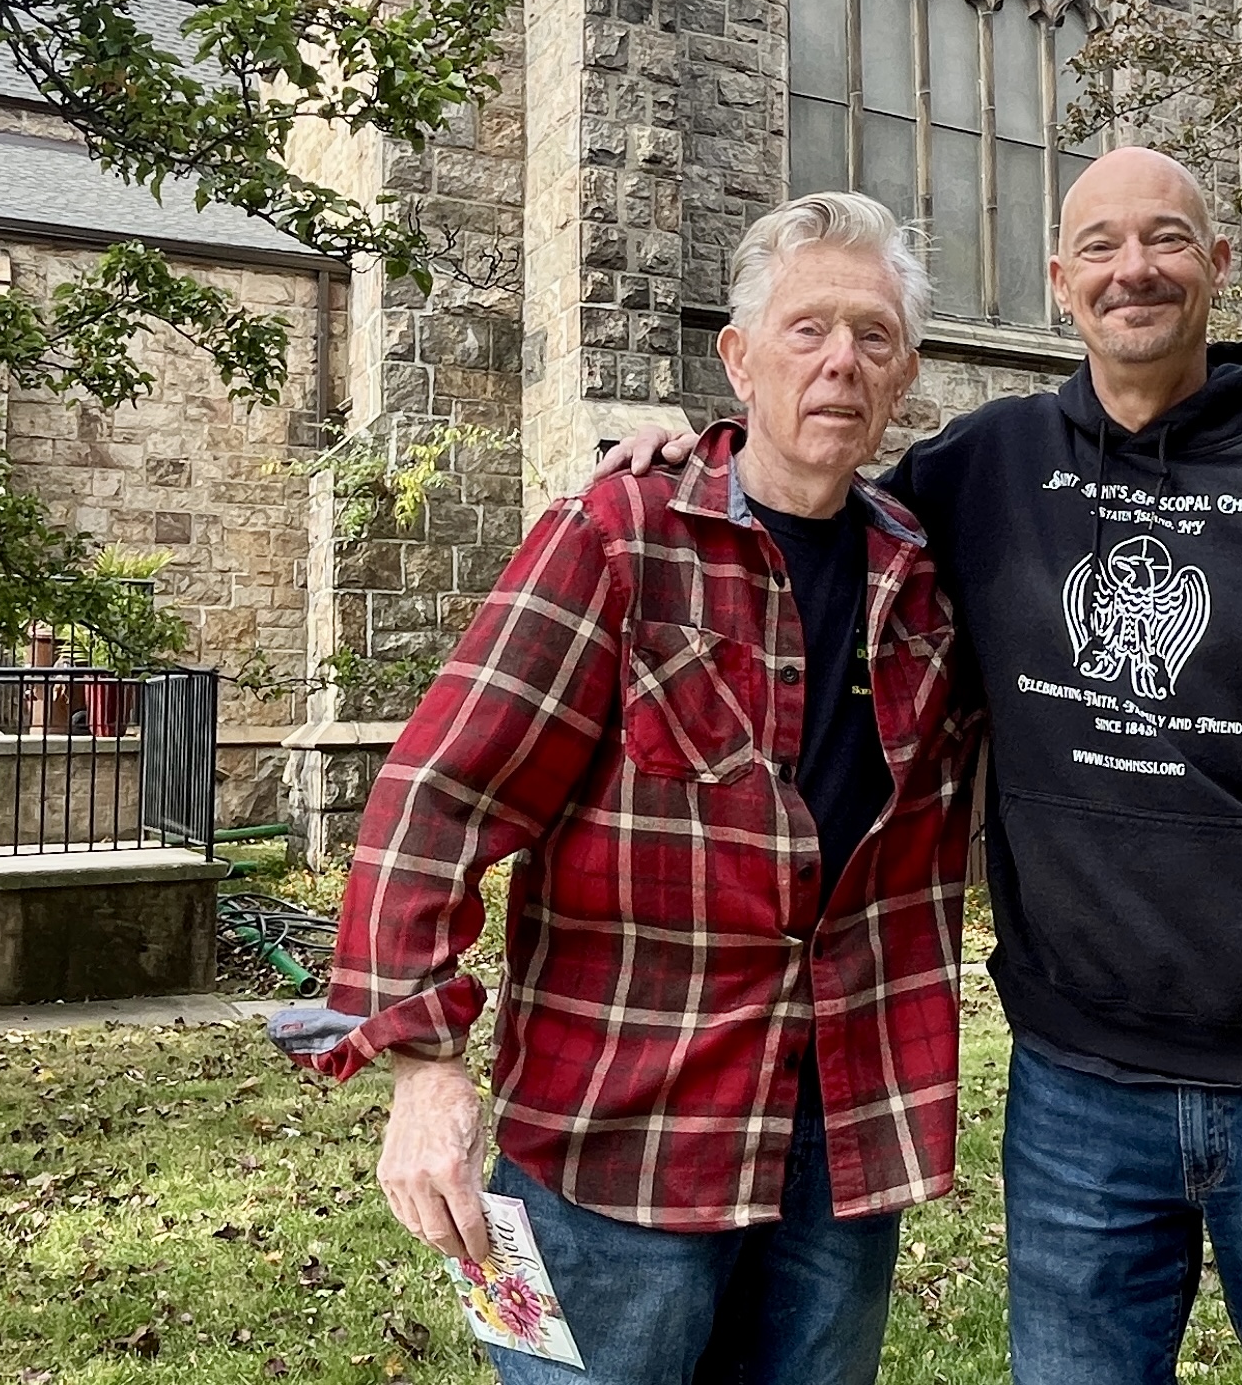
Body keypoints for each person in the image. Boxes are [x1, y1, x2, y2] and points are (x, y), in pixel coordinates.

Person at [602, 148, 1242, 1385]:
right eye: (1098, 245)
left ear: (1216, 266)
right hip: (1079, 1091)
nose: (1130, 269)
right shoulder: (986, 469)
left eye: (1164, 241)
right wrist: (692, 454)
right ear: (1059, 280)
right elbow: (812, 495)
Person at [296, 193, 983, 1385]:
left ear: (907, 372)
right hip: (622, 1131)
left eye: (873, 337)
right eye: (806, 327)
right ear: (737, 356)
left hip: (845, 1133)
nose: (840, 361)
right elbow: (437, 791)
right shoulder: (621, 535)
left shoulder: (927, 576)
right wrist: (419, 1064)